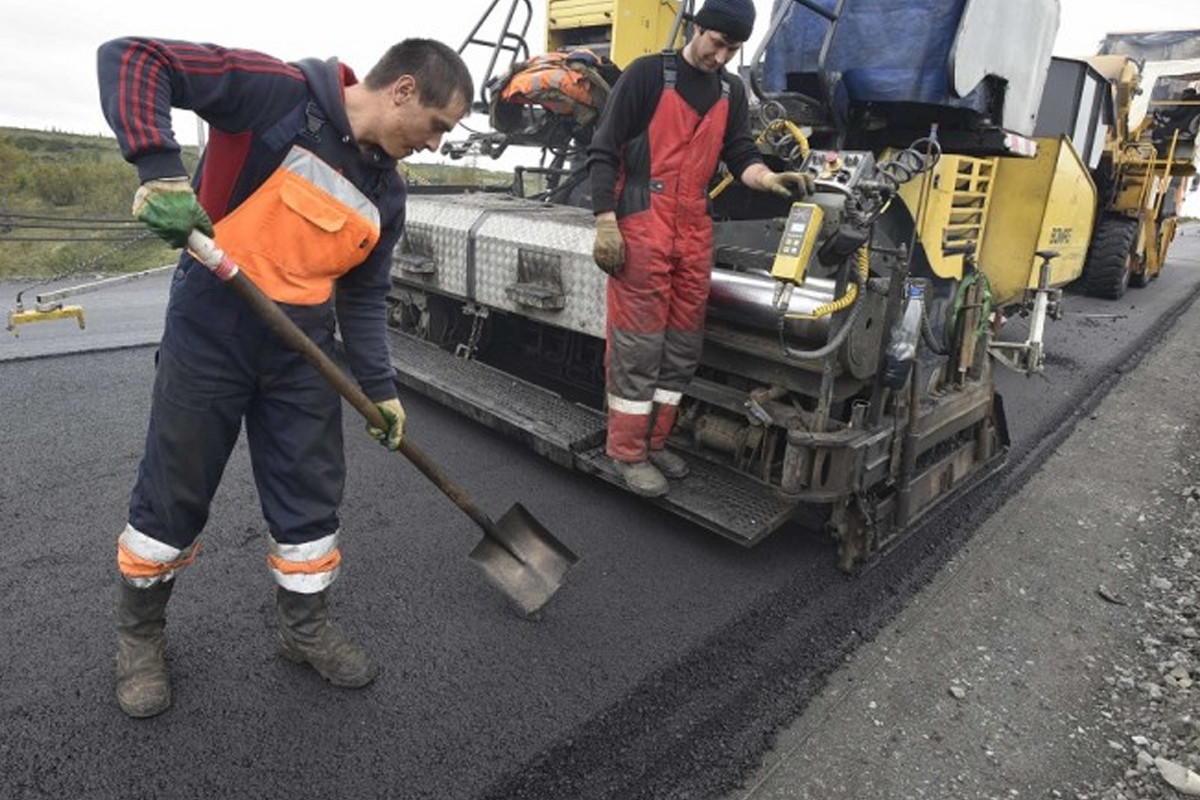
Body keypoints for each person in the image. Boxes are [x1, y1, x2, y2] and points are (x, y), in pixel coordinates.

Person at [97, 36, 472, 718]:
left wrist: (381, 392)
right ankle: (140, 637)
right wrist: (158, 167)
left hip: (302, 350)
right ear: (405, 91)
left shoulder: (386, 193)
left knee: (310, 493)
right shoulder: (274, 94)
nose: (437, 144)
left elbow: (362, 299)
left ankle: (304, 629)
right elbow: (131, 57)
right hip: (211, 330)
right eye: (439, 126)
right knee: (172, 494)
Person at [586, 0, 813, 497]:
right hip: (644, 220)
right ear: (697, 27)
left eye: (733, 48)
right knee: (639, 344)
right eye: (718, 42)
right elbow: (604, 150)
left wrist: (769, 178)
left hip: (693, 227)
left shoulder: (730, 90)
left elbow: (740, 155)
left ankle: (657, 440)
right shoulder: (647, 75)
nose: (723, 56)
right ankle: (626, 451)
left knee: (683, 344)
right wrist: (607, 222)